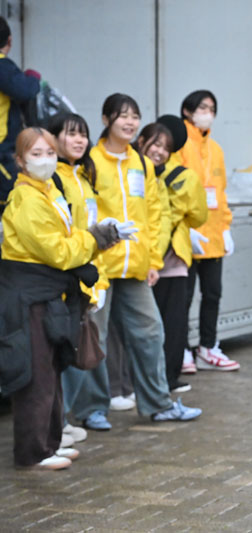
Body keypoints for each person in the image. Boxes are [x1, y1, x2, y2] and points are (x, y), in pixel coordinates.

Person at [70, 93, 202, 430]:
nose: (129, 122)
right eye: (122, 116)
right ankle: (92, 409)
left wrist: (153, 260)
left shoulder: (141, 164)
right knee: (95, 338)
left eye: (134, 116)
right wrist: (90, 256)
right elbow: (84, 212)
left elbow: (154, 214)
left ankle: (158, 404)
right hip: (99, 266)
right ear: (106, 120)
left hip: (136, 266)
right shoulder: (90, 162)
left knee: (150, 332)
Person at [0, 127, 121, 469]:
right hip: (29, 296)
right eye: (36, 154)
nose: (45, 160)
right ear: (20, 160)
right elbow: (57, 251)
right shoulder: (26, 199)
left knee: (51, 371)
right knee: (36, 375)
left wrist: (89, 240)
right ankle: (33, 452)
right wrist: (94, 240)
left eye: (50, 153)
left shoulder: (49, 191)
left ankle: (50, 443)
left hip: (49, 293)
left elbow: (66, 241)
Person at [47, 113, 108, 445]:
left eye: (83, 134)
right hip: (65, 278)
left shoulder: (83, 176)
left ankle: (63, 419)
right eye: (71, 133)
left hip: (86, 275)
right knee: (63, 354)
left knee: (80, 349)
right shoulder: (52, 179)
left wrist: (99, 279)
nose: (80, 140)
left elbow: (92, 231)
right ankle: (55, 424)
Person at [136, 117, 208, 393]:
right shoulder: (185, 176)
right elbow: (199, 215)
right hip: (173, 257)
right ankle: (168, 378)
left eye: (164, 146)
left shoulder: (134, 171)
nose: (159, 151)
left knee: (144, 323)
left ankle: (141, 381)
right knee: (173, 321)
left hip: (141, 257)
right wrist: (181, 220)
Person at [178, 90, 239, 372]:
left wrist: (225, 227)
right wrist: (183, 227)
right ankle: (180, 349)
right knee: (183, 296)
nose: (208, 114)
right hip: (188, 233)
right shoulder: (179, 145)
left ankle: (208, 347)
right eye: (202, 108)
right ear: (187, 111)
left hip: (213, 234)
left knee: (212, 294)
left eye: (212, 109)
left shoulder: (216, 149)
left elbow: (220, 193)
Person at [0, 16, 41, 213]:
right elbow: (25, 91)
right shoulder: (3, 66)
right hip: (2, 151)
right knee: (10, 207)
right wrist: (33, 78)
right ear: (9, 40)